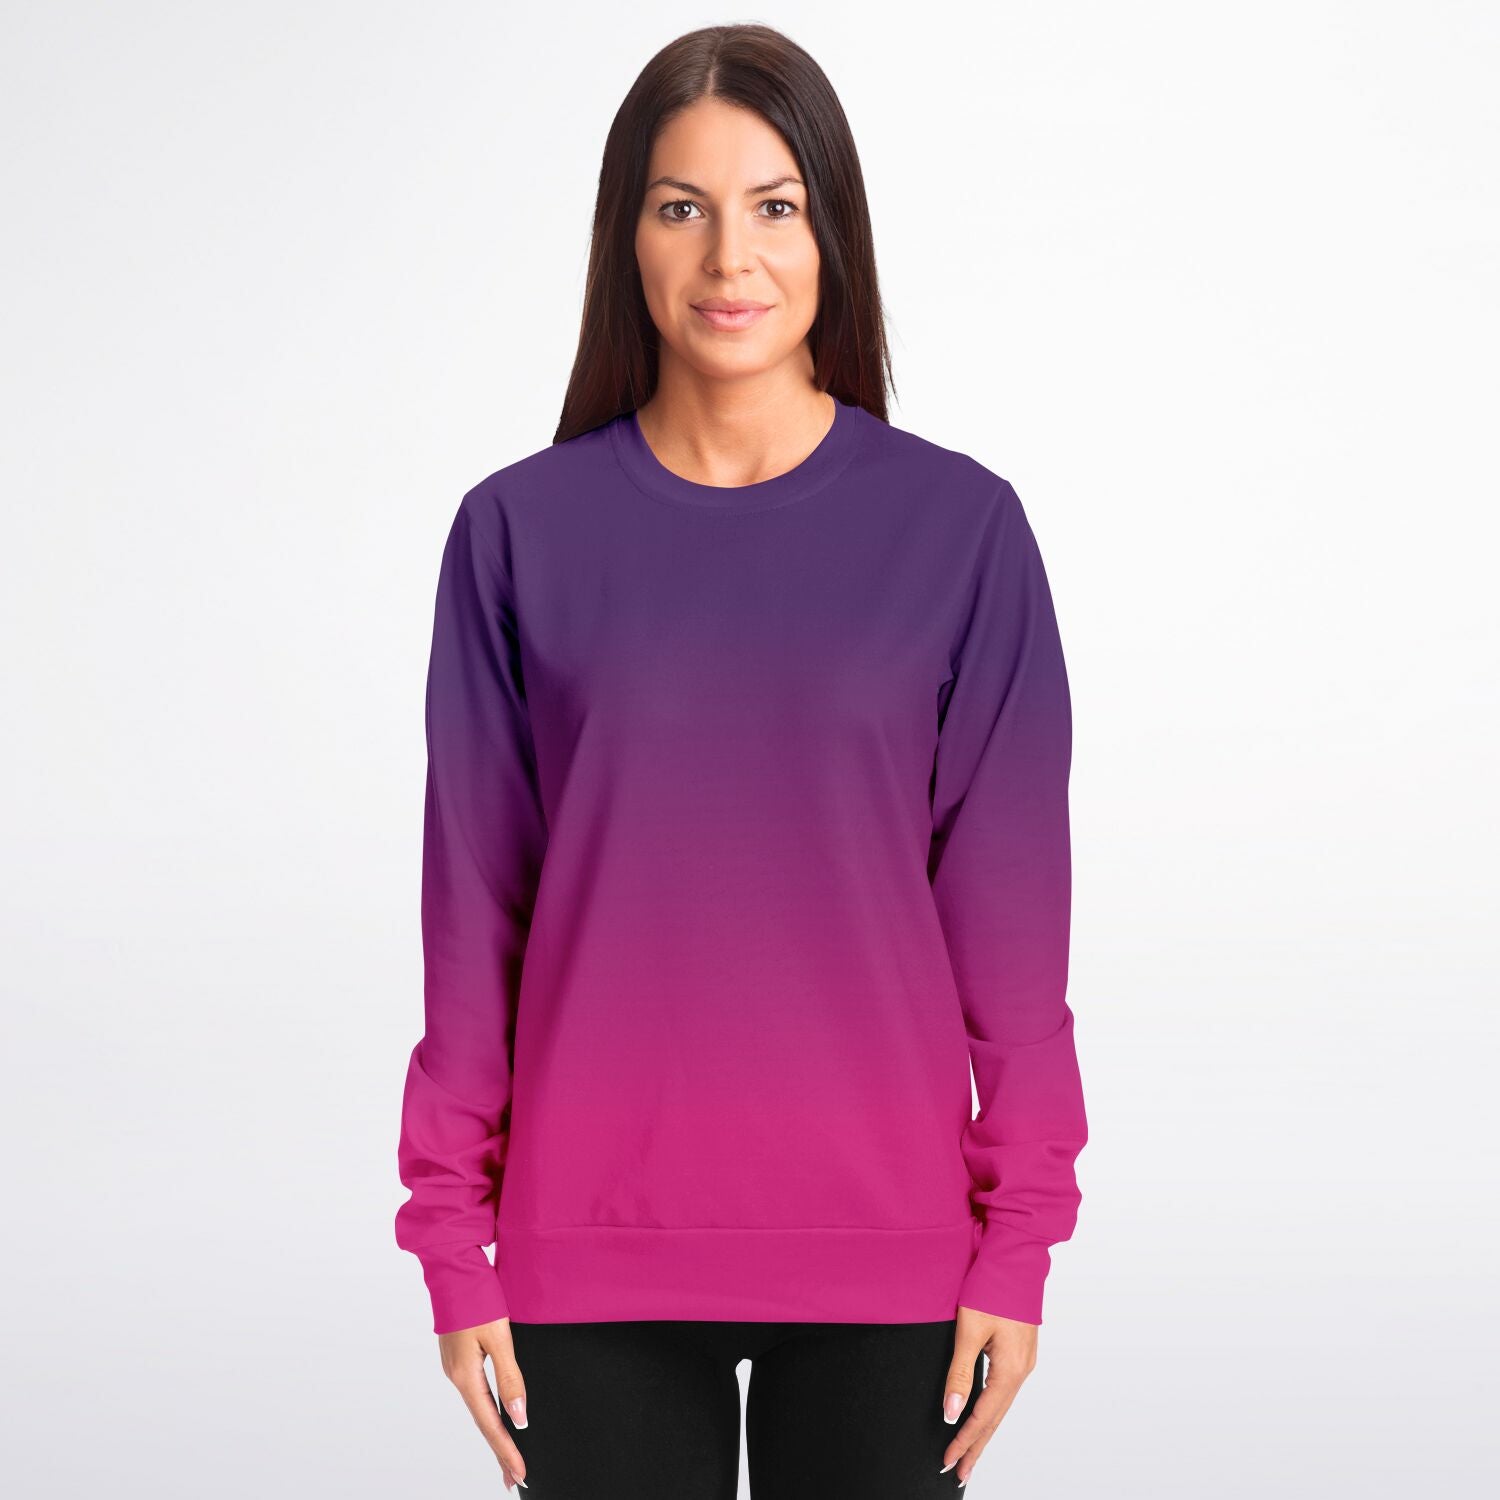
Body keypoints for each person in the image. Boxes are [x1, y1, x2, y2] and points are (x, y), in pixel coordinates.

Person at [393, 22, 1088, 1498]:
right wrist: (452, 1238)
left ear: (833, 233)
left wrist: (1019, 1240)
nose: (731, 257)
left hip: (891, 1247)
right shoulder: (517, 534)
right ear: (626, 239)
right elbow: (474, 916)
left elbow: (1014, 931)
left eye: (775, 205)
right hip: (590, 1244)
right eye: (681, 206)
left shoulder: (960, 532)